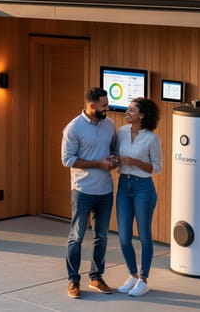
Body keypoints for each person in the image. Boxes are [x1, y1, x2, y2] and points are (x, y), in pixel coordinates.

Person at [61, 87, 120, 299]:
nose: (107, 108)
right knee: (76, 237)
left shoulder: (109, 125)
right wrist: (98, 163)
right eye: (104, 106)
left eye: (107, 104)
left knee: (101, 237)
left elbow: (113, 150)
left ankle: (96, 277)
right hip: (83, 190)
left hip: (105, 191)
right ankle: (73, 281)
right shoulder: (74, 128)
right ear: (91, 106)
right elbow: (67, 159)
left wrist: (113, 160)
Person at [114, 97, 162, 297]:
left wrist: (134, 161)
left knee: (144, 236)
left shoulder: (152, 139)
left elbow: (157, 168)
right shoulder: (122, 132)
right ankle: (132, 275)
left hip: (143, 187)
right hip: (124, 185)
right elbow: (117, 156)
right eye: (127, 109)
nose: (127, 112)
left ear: (142, 115)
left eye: (131, 110)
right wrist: (114, 160)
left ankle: (143, 279)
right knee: (124, 236)